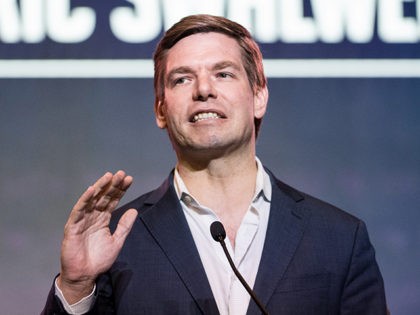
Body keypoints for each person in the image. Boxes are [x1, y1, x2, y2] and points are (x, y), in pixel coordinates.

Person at [42, 14, 387, 315]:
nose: (203, 89)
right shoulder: (116, 240)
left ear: (259, 96)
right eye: (182, 79)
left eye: (223, 74)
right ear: (161, 110)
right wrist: (75, 287)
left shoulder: (339, 238)